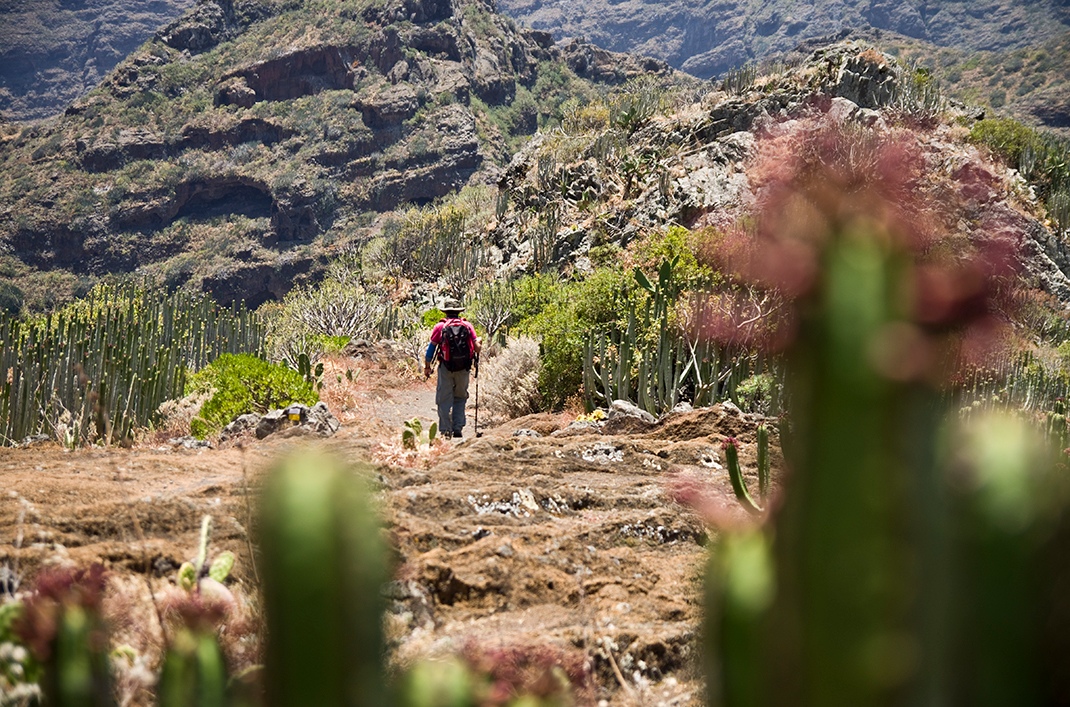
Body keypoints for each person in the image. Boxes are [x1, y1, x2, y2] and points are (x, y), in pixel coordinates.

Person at [424, 298, 481, 439]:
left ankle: (445, 430)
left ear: (446, 312)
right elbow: (476, 347)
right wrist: (479, 341)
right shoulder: (467, 325)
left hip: (446, 367)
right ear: (458, 312)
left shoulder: (440, 327)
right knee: (460, 397)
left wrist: (427, 366)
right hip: (464, 367)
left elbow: (431, 348)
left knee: (444, 398)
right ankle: (458, 427)